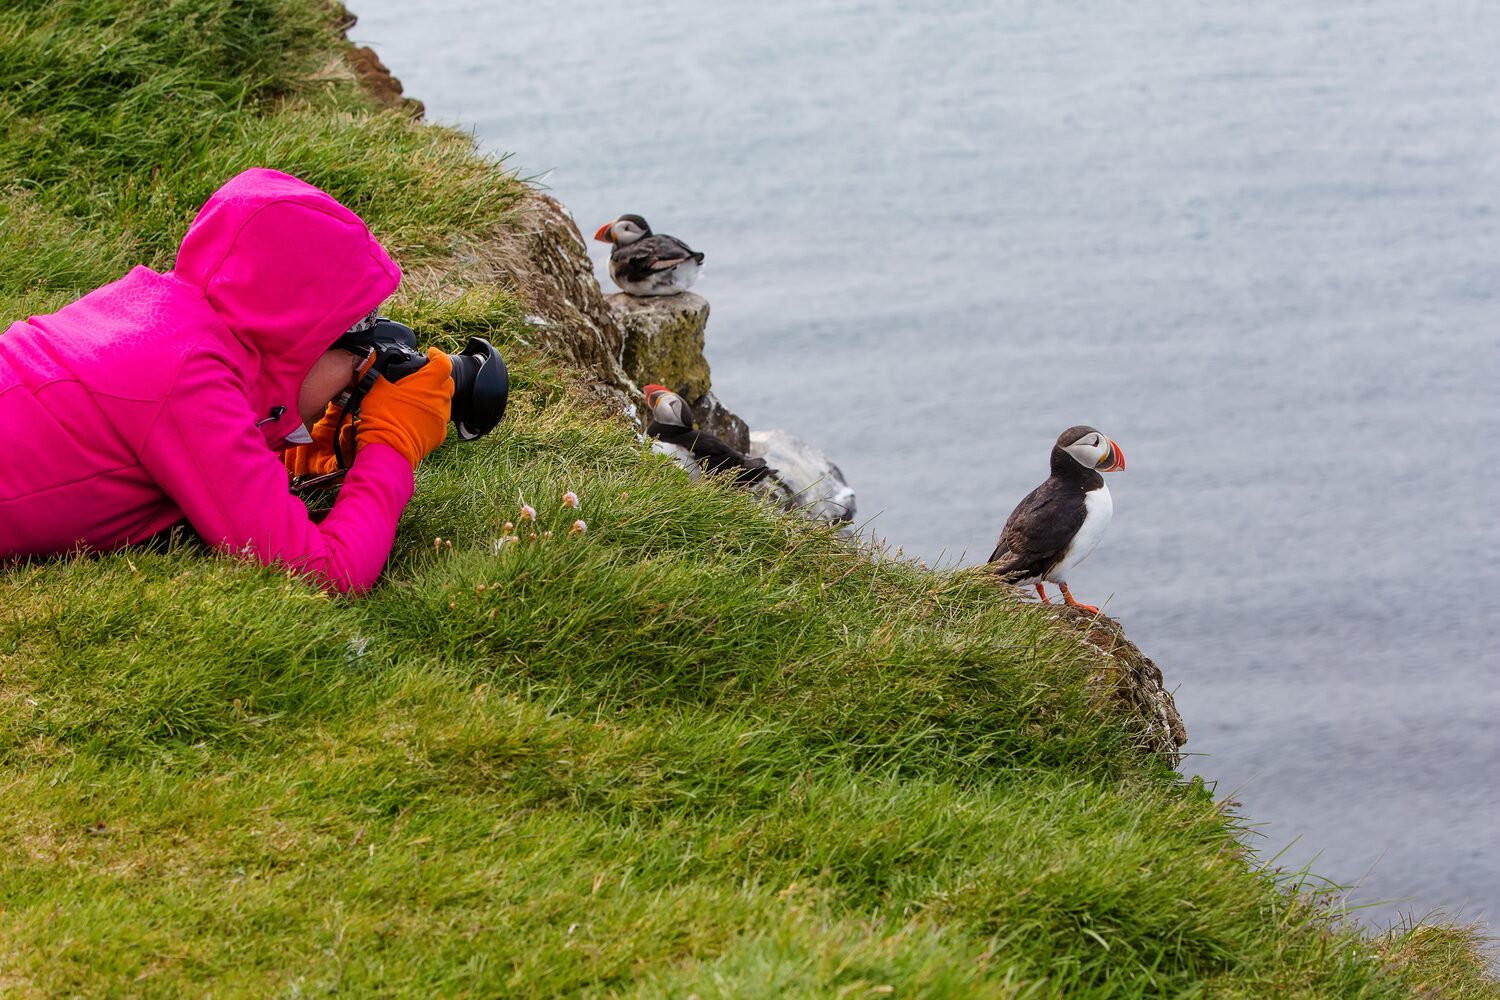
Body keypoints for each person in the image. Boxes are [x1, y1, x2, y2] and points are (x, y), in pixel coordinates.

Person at [0, 168, 452, 593]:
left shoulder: (151, 306)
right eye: (356, 357)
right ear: (304, 342)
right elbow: (325, 573)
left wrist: (290, 446)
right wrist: (393, 444)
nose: (355, 377)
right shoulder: (191, 380)